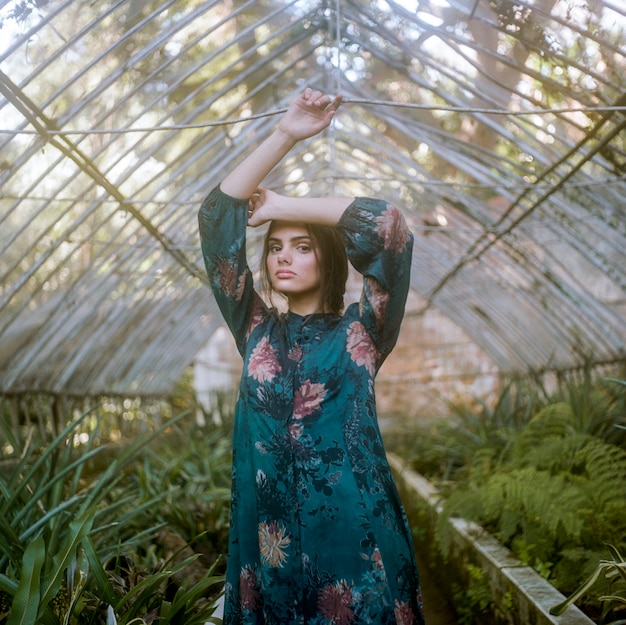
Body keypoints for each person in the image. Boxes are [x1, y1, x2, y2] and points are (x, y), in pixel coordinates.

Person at [198, 87, 425, 625]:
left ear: (328, 260)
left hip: (359, 545)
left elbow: (390, 227)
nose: (283, 256)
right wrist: (285, 133)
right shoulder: (254, 329)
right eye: (275, 245)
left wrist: (282, 207)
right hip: (269, 550)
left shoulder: (364, 332)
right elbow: (215, 220)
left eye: (302, 246)